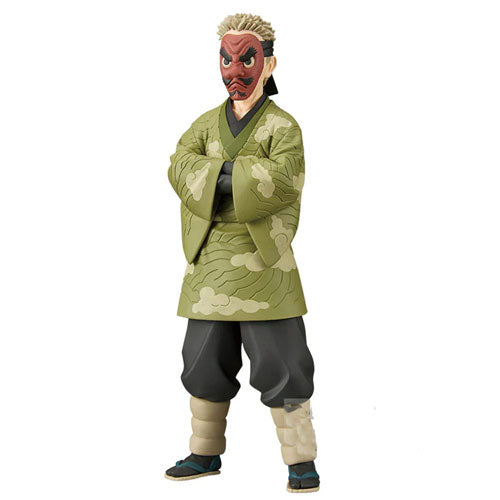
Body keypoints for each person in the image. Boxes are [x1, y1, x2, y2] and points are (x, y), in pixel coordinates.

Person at [165, 13, 320, 493]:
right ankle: (203, 451)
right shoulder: (204, 123)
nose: (235, 72)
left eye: (247, 60)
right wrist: (234, 176)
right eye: (226, 60)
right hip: (211, 264)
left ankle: (300, 459)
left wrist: (218, 175)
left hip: (265, 266)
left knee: (285, 363)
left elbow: (285, 179)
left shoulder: (282, 126)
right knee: (201, 361)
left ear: (269, 64)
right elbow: (179, 167)